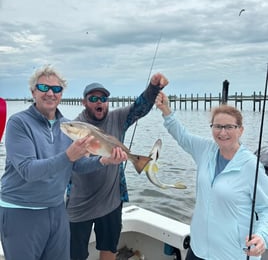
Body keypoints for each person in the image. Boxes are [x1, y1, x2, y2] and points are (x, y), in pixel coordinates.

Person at [0, 65, 127, 260]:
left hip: (57, 210)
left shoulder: (67, 126)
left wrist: (103, 160)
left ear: (61, 94)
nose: (50, 93)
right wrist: (67, 155)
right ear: (33, 91)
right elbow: (28, 170)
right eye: (43, 88)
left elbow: (76, 165)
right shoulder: (19, 123)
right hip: (22, 211)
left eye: (56, 89)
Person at [155, 91, 268, 260]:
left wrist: (262, 236)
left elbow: (265, 208)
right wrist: (166, 110)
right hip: (198, 248)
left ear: (241, 130)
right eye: (218, 126)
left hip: (232, 254)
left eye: (229, 127)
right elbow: (182, 136)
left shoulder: (251, 166)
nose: (223, 132)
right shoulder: (205, 149)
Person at [67, 73, 168, 260]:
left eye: (103, 98)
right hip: (80, 205)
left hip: (111, 201)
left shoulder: (117, 118)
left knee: (109, 248)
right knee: (75, 255)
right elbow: (76, 165)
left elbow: (141, 107)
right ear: (84, 102)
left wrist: (154, 87)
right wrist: (104, 160)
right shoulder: (76, 128)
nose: (100, 102)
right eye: (94, 98)